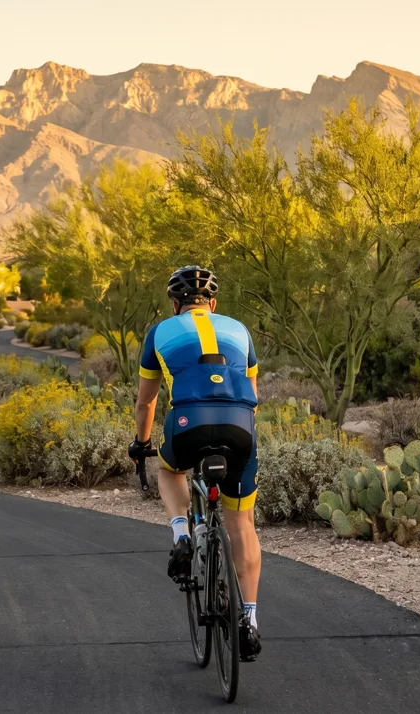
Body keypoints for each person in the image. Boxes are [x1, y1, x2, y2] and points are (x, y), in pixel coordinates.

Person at [127, 265, 262, 660]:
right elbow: (252, 394)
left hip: (188, 425)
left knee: (169, 470)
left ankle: (182, 535)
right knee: (242, 525)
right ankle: (249, 622)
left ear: (175, 305)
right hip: (240, 427)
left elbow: (146, 402)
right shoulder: (239, 329)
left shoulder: (160, 333)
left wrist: (142, 443)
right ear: (214, 303)